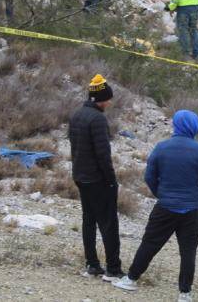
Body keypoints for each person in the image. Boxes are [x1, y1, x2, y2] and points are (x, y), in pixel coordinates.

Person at [113, 110, 198, 301]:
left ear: (176, 125)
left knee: (150, 244)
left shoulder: (162, 147)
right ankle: (185, 294)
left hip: (165, 206)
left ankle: (131, 279)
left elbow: (149, 176)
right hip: (192, 210)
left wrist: (160, 193)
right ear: (194, 127)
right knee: (188, 251)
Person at [68, 74, 123, 281]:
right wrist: (111, 181)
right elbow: (103, 155)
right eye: (108, 99)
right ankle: (113, 269)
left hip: (80, 176)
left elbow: (74, 147)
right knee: (109, 224)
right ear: (101, 99)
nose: (109, 102)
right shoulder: (98, 119)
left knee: (89, 221)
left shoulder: (77, 115)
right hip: (97, 179)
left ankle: (92, 265)